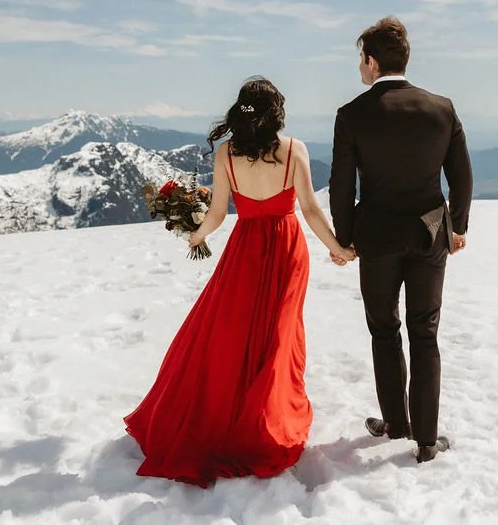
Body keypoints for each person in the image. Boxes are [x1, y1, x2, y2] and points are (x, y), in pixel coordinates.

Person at [124, 76, 355, 487]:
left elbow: (215, 214)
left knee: (234, 332)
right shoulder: (294, 150)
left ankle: (238, 411)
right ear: (276, 113)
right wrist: (336, 247)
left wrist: (196, 235)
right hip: (286, 249)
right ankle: (267, 419)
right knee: (279, 335)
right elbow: (311, 211)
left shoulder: (227, 153)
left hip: (245, 249)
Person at [328, 16, 474, 464]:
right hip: (431, 232)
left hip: (376, 236)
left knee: (384, 330)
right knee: (424, 333)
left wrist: (344, 238)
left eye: (360, 59)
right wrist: (459, 227)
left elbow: (340, 185)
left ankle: (396, 423)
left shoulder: (352, 114)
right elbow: (462, 176)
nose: (360, 67)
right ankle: (427, 441)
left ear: (371, 61)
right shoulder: (442, 108)